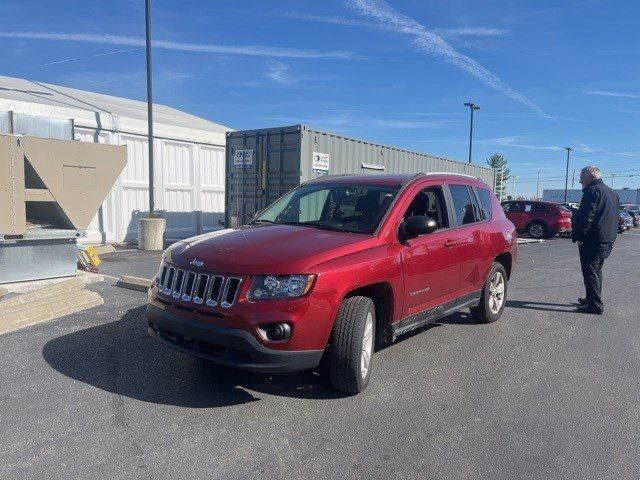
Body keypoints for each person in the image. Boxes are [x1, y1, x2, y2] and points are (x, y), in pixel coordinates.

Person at [571, 166, 619, 314]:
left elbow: (587, 217)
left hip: (593, 240)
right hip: (607, 238)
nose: (580, 181)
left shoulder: (592, 192)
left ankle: (595, 305)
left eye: (581, 178)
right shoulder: (612, 193)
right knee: (596, 271)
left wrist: (580, 237)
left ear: (590, 177)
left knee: (590, 271)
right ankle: (591, 298)